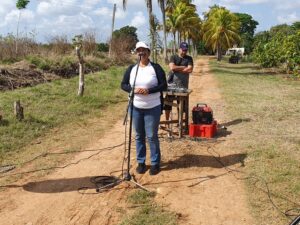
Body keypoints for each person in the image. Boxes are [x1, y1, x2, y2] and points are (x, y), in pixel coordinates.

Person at [121, 41, 167, 176]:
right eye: (139, 50)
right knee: (139, 135)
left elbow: (164, 85)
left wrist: (149, 91)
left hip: (152, 107)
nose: (141, 53)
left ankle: (155, 162)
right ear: (137, 53)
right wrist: (133, 89)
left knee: (152, 136)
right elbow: (123, 85)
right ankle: (141, 162)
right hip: (135, 107)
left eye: (144, 50)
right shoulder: (132, 69)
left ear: (149, 52)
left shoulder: (156, 68)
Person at [164, 41, 194, 122]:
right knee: (167, 104)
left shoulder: (189, 58)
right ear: (179, 49)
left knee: (182, 105)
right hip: (171, 85)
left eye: (186, 50)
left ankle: (180, 122)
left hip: (183, 86)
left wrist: (177, 69)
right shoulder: (173, 57)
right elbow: (172, 68)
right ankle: (167, 121)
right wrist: (183, 67)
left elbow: (190, 69)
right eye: (183, 50)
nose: (184, 52)